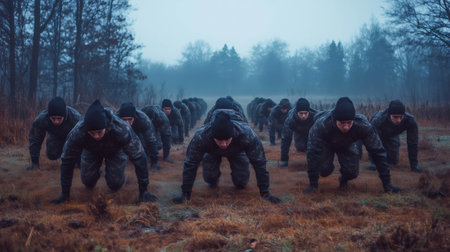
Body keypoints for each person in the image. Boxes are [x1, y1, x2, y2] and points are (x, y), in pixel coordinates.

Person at [51, 100, 158, 203]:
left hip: (115, 152)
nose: (96, 136)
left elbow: (139, 157)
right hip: (91, 152)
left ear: (105, 127)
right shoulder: (79, 131)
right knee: (88, 182)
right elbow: (67, 160)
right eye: (92, 133)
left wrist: (144, 191)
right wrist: (65, 193)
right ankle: (95, 173)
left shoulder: (121, 128)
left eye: (99, 132)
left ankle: (113, 176)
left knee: (115, 184)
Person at [172, 110, 281, 204]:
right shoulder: (201, 136)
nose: (223, 144)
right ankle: (212, 180)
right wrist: (185, 194)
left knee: (241, 182)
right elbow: (190, 164)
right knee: (210, 178)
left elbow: (260, 163)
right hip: (212, 151)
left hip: (237, 151)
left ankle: (240, 181)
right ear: (212, 136)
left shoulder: (247, 134)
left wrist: (265, 193)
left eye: (226, 140)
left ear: (232, 135)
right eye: (220, 140)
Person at [304, 97, 401, 193]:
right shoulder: (322, 125)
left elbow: (378, 152)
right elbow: (312, 153)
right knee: (324, 171)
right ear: (335, 120)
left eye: (349, 123)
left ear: (353, 120)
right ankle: (326, 169)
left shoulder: (363, 124)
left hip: (347, 144)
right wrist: (313, 185)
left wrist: (387, 183)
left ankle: (343, 180)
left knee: (352, 173)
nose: (346, 127)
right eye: (342, 123)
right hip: (326, 144)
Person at [27, 97, 82, 170]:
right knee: (52, 154)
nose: (56, 121)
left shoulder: (76, 118)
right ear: (49, 116)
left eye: (59, 118)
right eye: (53, 118)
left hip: (72, 139)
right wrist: (35, 163)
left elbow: (85, 140)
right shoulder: (41, 119)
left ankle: (77, 161)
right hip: (56, 137)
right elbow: (35, 140)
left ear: (64, 116)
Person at [368, 100, 422, 172]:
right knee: (378, 160)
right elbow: (372, 141)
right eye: (395, 117)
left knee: (392, 161)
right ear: (389, 115)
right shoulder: (379, 120)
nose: (398, 120)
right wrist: (373, 162)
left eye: (401, 117)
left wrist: (414, 165)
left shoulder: (410, 121)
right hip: (377, 134)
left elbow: (413, 143)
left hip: (392, 135)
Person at [117, 102, 161, 170]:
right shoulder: (115, 118)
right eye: (124, 120)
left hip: (138, 129)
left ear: (134, 117)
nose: (127, 123)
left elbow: (151, 140)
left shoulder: (143, 119)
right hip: (121, 132)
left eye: (129, 119)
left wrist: (154, 162)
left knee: (142, 146)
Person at [280, 98, 318, 167]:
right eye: (301, 113)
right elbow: (285, 139)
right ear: (297, 112)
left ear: (308, 112)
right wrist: (284, 160)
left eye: (305, 113)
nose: (303, 116)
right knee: (300, 148)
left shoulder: (315, 116)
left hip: (311, 131)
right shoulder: (290, 120)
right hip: (298, 130)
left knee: (313, 146)